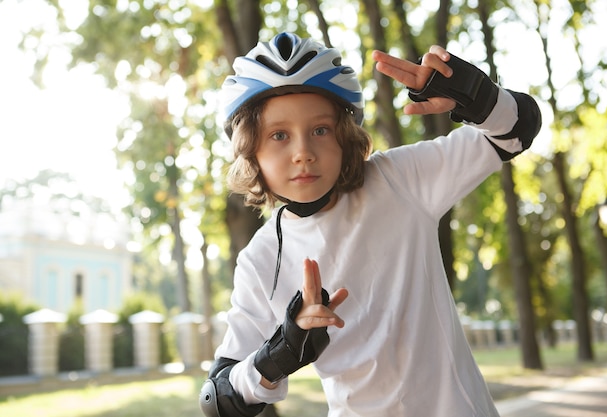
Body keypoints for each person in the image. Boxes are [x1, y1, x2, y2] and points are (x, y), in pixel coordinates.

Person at [199, 32, 541, 417]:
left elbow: (517, 130)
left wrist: (475, 94)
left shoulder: (398, 181)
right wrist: (280, 352)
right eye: (279, 135)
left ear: (344, 137)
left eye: (320, 130)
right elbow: (218, 399)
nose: (303, 153)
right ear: (250, 151)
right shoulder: (261, 259)